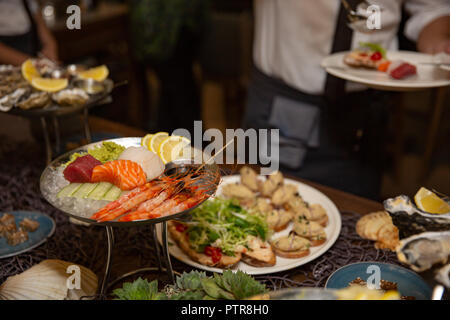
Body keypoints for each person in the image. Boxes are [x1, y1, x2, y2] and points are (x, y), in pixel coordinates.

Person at [244, 0, 450, 199]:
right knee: (263, 206)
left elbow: (430, 9)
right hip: (285, 104)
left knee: (354, 211)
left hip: (367, 112)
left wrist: (440, 46)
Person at [0, 0, 58, 65]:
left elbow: (48, 41)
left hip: (33, 61)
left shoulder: (28, 3)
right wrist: (34, 63)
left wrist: (50, 46)